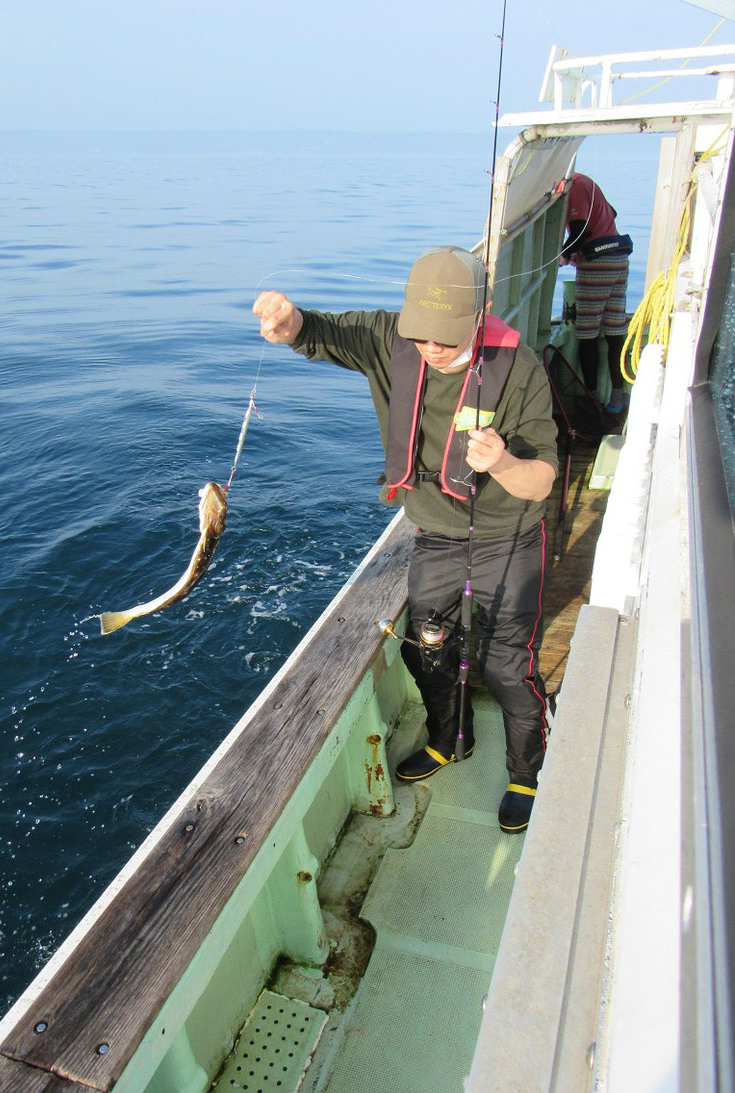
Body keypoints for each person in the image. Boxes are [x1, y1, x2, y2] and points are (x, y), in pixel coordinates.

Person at [253, 247, 558, 833]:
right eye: (422, 335)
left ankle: (525, 771)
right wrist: (288, 324)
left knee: (504, 664)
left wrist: (502, 463)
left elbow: (542, 478)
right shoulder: (392, 340)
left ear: (482, 312)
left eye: (446, 337)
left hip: (509, 534)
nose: (432, 349)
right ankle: (450, 739)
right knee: (426, 646)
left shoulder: (520, 370)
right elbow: (316, 332)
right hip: (438, 530)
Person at [560, 173, 633, 415]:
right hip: (618, 260)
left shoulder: (575, 186)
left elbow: (579, 231)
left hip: (597, 265)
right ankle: (617, 398)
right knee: (614, 331)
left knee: (588, 334)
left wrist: (562, 255)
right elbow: (611, 213)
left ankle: (590, 397)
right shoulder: (588, 183)